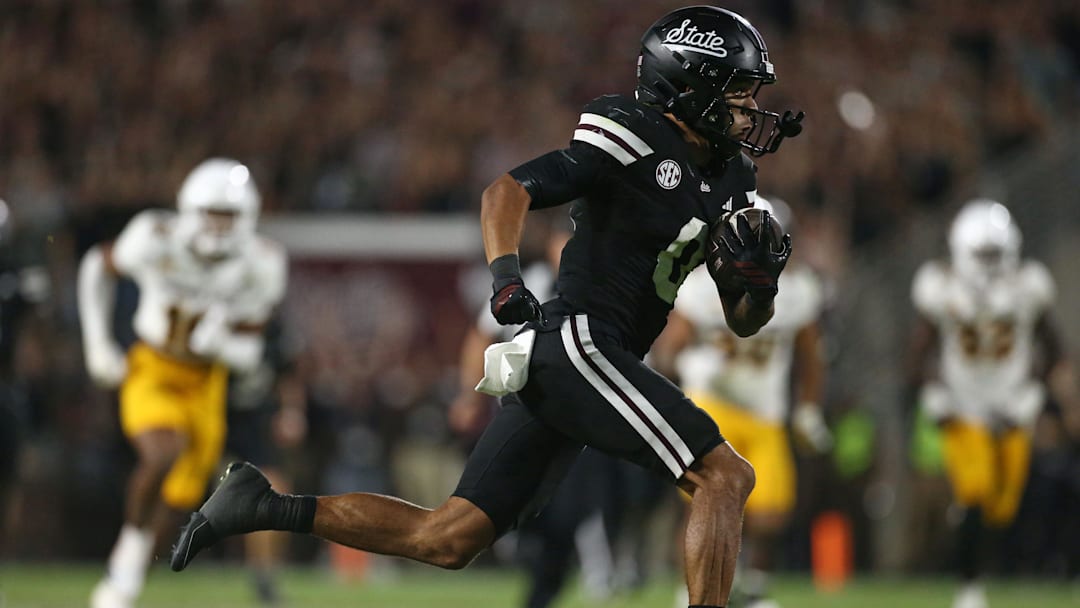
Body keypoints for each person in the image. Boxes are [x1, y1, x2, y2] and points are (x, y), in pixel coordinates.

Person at [171, 7, 802, 608]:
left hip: (591, 361)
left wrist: (759, 283)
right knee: (725, 476)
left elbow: (745, 318)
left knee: (447, 538)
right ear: (686, 85)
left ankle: (263, 506)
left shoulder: (731, 176)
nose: (749, 108)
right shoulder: (636, 133)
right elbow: (509, 189)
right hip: (580, 343)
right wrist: (504, 276)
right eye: (738, 90)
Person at [78, 158, 287, 608]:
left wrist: (222, 347)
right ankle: (123, 571)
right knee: (162, 452)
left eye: (228, 215)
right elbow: (97, 266)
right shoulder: (154, 238)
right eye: (212, 212)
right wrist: (97, 345)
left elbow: (250, 355)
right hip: (153, 366)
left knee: (179, 497)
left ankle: (128, 571)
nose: (219, 225)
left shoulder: (261, 263)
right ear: (190, 209)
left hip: (205, 382)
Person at [653, 197, 830, 608]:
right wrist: (682, 363)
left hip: (765, 409)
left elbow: (810, 355)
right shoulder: (701, 286)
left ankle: (750, 586)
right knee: (703, 502)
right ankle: (691, 589)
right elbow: (666, 351)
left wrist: (807, 407)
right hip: (710, 402)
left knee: (771, 513)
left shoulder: (800, 291)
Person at [908, 199, 1080, 608]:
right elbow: (918, 352)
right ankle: (968, 589)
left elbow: (1053, 347)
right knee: (976, 492)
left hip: (1010, 409)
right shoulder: (941, 285)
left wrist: (1034, 393)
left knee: (1002, 509)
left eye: (993, 253)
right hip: (964, 410)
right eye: (981, 253)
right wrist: (934, 392)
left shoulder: (1027, 286)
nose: (988, 262)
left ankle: (968, 537)